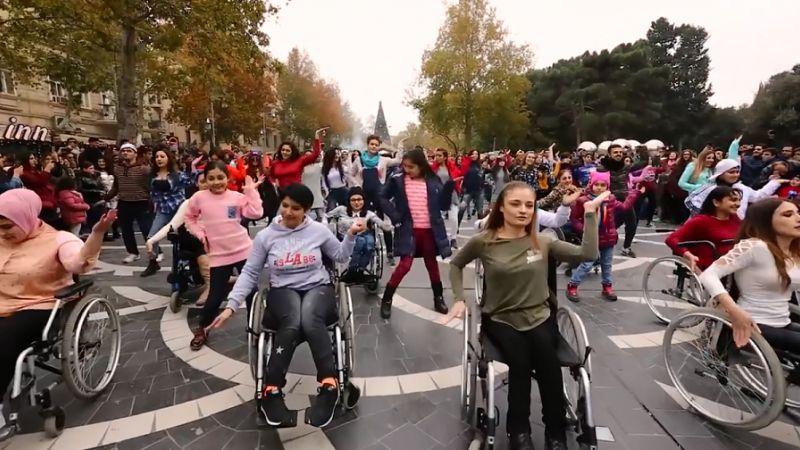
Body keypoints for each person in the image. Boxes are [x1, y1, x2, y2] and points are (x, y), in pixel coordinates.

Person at [440, 181, 603, 450]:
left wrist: (589, 213)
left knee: (549, 366)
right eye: (515, 204)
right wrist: (458, 298)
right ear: (501, 207)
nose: (523, 210)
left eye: (529, 205)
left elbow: (588, 254)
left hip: (539, 316)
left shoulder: (545, 240)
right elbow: (456, 264)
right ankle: (519, 431)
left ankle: (555, 432)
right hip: (501, 318)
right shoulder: (485, 241)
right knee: (521, 364)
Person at [207, 183, 363, 428]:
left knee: (310, 319)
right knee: (291, 322)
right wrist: (231, 305)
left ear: (308, 210)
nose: (289, 212)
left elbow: (341, 256)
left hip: (317, 287)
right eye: (285, 206)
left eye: (296, 208)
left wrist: (351, 235)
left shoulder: (318, 231)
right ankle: (271, 389)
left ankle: (329, 384)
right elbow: (249, 273)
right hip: (283, 290)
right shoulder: (266, 237)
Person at [0, 189, 115, 439]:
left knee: (4, 342)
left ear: (25, 217)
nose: (3, 232)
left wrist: (96, 234)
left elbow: (79, 263)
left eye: (8, 226)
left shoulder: (58, 239)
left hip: (36, 305)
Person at [698, 198, 800, 354]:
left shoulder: (794, 251)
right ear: (767, 221)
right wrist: (734, 310)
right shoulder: (754, 247)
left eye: (797, 212)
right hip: (753, 322)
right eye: (788, 214)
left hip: (783, 321)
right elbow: (708, 275)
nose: (798, 218)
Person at [184, 161, 264, 350]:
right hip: (219, 256)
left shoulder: (236, 197)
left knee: (251, 293)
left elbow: (256, 212)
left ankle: (253, 327)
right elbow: (189, 217)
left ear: (227, 178)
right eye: (211, 178)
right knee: (215, 297)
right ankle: (203, 328)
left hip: (244, 251)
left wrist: (251, 192)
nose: (216, 182)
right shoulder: (199, 198)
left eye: (220, 177)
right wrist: (200, 233)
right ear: (205, 180)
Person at [379, 149, 451, 319]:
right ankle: (387, 299)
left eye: (411, 167)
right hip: (408, 229)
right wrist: (395, 216)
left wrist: (448, 191)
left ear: (421, 166)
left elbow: (443, 206)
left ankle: (438, 297)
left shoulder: (433, 180)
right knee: (405, 265)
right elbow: (382, 197)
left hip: (429, 230)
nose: (407, 170)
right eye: (404, 166)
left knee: (432, 265)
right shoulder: (397, 180)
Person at [566, 171, 641, 302]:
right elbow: (574, 218)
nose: (599, 188)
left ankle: (607, 287)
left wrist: (634, 194)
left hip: (608, 237)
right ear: (591, 184)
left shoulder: (610, 199)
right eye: (597, 184)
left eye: (603, 185)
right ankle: (572, 285)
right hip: (592, 238)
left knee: (607, 264)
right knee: (587, 264)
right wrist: (583, 229)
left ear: (607, 187)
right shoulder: (583, 200)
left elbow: (624, 207)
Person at [146, 173, 211, 305]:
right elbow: (172, 225)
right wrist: (152, 240)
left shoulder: (223, 201)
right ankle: (210, 284)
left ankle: (221, 279)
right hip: (195, 241)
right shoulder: (189, 203)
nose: (206, 184)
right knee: (197, 244)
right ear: (197, 184)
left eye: (209, 180)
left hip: (218, 240)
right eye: (203, 181)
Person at [666, 186, 742, 272]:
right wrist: (687, 254)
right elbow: (671, 239)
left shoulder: (734, 219)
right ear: (716, 202)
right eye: (733, 200)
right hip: (710, 267)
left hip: (733, 262)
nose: (738, 204)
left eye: (739, 200)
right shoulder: (701, 221)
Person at [141, 146, 191, 276]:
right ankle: (153, 263)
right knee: (151, 237)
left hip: (180, 210)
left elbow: (191, 184)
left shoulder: (178, 175)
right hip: (163, 211)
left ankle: (190, 263)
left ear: (168, 158)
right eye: (157, 157)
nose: (159, 159)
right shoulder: (151, 176)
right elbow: (152, 194)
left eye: (162, 156)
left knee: (187, 238)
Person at [328, 186, 392, 283]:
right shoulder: (341, 210)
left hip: (364, 234)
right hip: (347, 236)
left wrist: (388, 226)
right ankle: (352, 270)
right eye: (353, 200)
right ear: (349, 201)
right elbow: (326, 215)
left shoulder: (368, 213)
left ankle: (360, 270)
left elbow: (380, 223)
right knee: (361, 242)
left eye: (359, 199)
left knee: (370, 244)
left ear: (363, 200)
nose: (356, 203)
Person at [685, 158, 784, 219]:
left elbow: (757, 196)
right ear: (721, 174)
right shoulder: (711, 189)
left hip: (736, 227)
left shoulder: (741, 188)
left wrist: (774, 183)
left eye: (737, 172)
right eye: (731, 172)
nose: (735, 175)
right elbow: (698, 210)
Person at [107, 142, 152, 263]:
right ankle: (133, 252)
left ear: (135, 154)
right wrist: (107, 197)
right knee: (126, 230)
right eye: (123, 151)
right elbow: (116, 186)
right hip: (124, 202)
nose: (125, 153)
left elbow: (150, 185)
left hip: (141, 202)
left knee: (146, 229)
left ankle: (155, 252)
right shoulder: (117, 168)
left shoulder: (144, 169)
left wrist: (152, 198)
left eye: (129, 151)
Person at [598, 144, 643, 257]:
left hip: (625, 199)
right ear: (609, 154)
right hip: (609, 200)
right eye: (615, 152)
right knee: (606, 225)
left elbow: (640, 165)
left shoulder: (626, 166)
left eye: (620, 152)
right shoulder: (602, 168)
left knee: (632, 223)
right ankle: (599, 249)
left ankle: (626, 247)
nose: (618, 154)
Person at [431, 148, 463, 248]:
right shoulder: (433, 168)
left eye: (440, 155)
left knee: (454, 218)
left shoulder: (451, 167)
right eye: (436, 155)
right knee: (436, 219)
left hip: (451, 195)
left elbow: (460, 176)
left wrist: (455, 182)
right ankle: (437, 239)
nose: (437, 157)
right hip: (439, 196)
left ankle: (453, 238)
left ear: (445, 157)